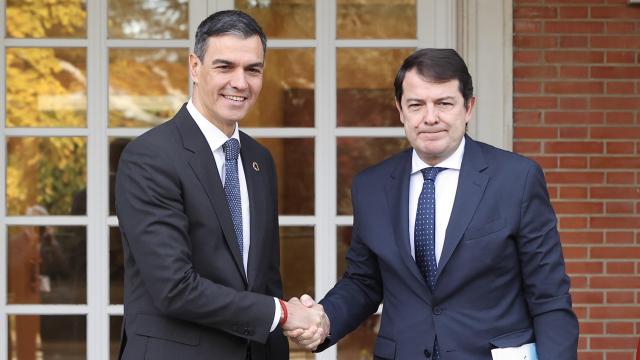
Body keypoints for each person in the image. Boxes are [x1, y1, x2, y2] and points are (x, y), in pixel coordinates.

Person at [288, 48, 579, 359]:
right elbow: (364, 282)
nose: (430, 117)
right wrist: (323, 319)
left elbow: (549, 297)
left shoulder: (516, 179)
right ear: (400, 110)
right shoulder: (371, 186)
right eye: (416, 105)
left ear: (468, 108)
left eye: (444, 103)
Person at [115, 10, 326, 360]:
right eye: (225, 67)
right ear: (195, 67)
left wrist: (292, 318)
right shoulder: (150, 157)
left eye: (253, 69)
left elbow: (264, 280)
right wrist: (283, 313)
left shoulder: (259, 160)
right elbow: (174, 288)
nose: (240, 82)